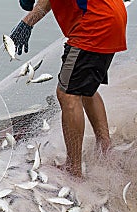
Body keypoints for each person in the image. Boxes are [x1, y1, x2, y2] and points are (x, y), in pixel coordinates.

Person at [10, 0, 127, 179]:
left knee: (68, 94)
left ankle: (73, 168)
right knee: (85, 88)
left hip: (94, 24)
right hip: (111, 18)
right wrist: (27, 22)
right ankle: (104, 146)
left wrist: (27, 21)